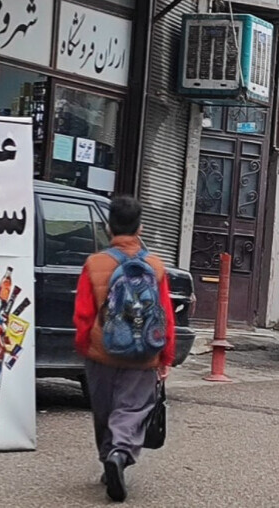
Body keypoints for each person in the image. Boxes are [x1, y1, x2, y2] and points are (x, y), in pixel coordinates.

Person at [73, 195, 176, 502]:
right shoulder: (155, 265)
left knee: (104, 410)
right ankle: (120, 453)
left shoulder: (94, 264)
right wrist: (166, 355)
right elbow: (166, 315)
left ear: (109, 227)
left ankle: (109, 458)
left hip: (102, 351)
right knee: (132, 409)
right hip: (144, 353)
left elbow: (83, 313)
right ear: (140, 227)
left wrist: (84, 345)